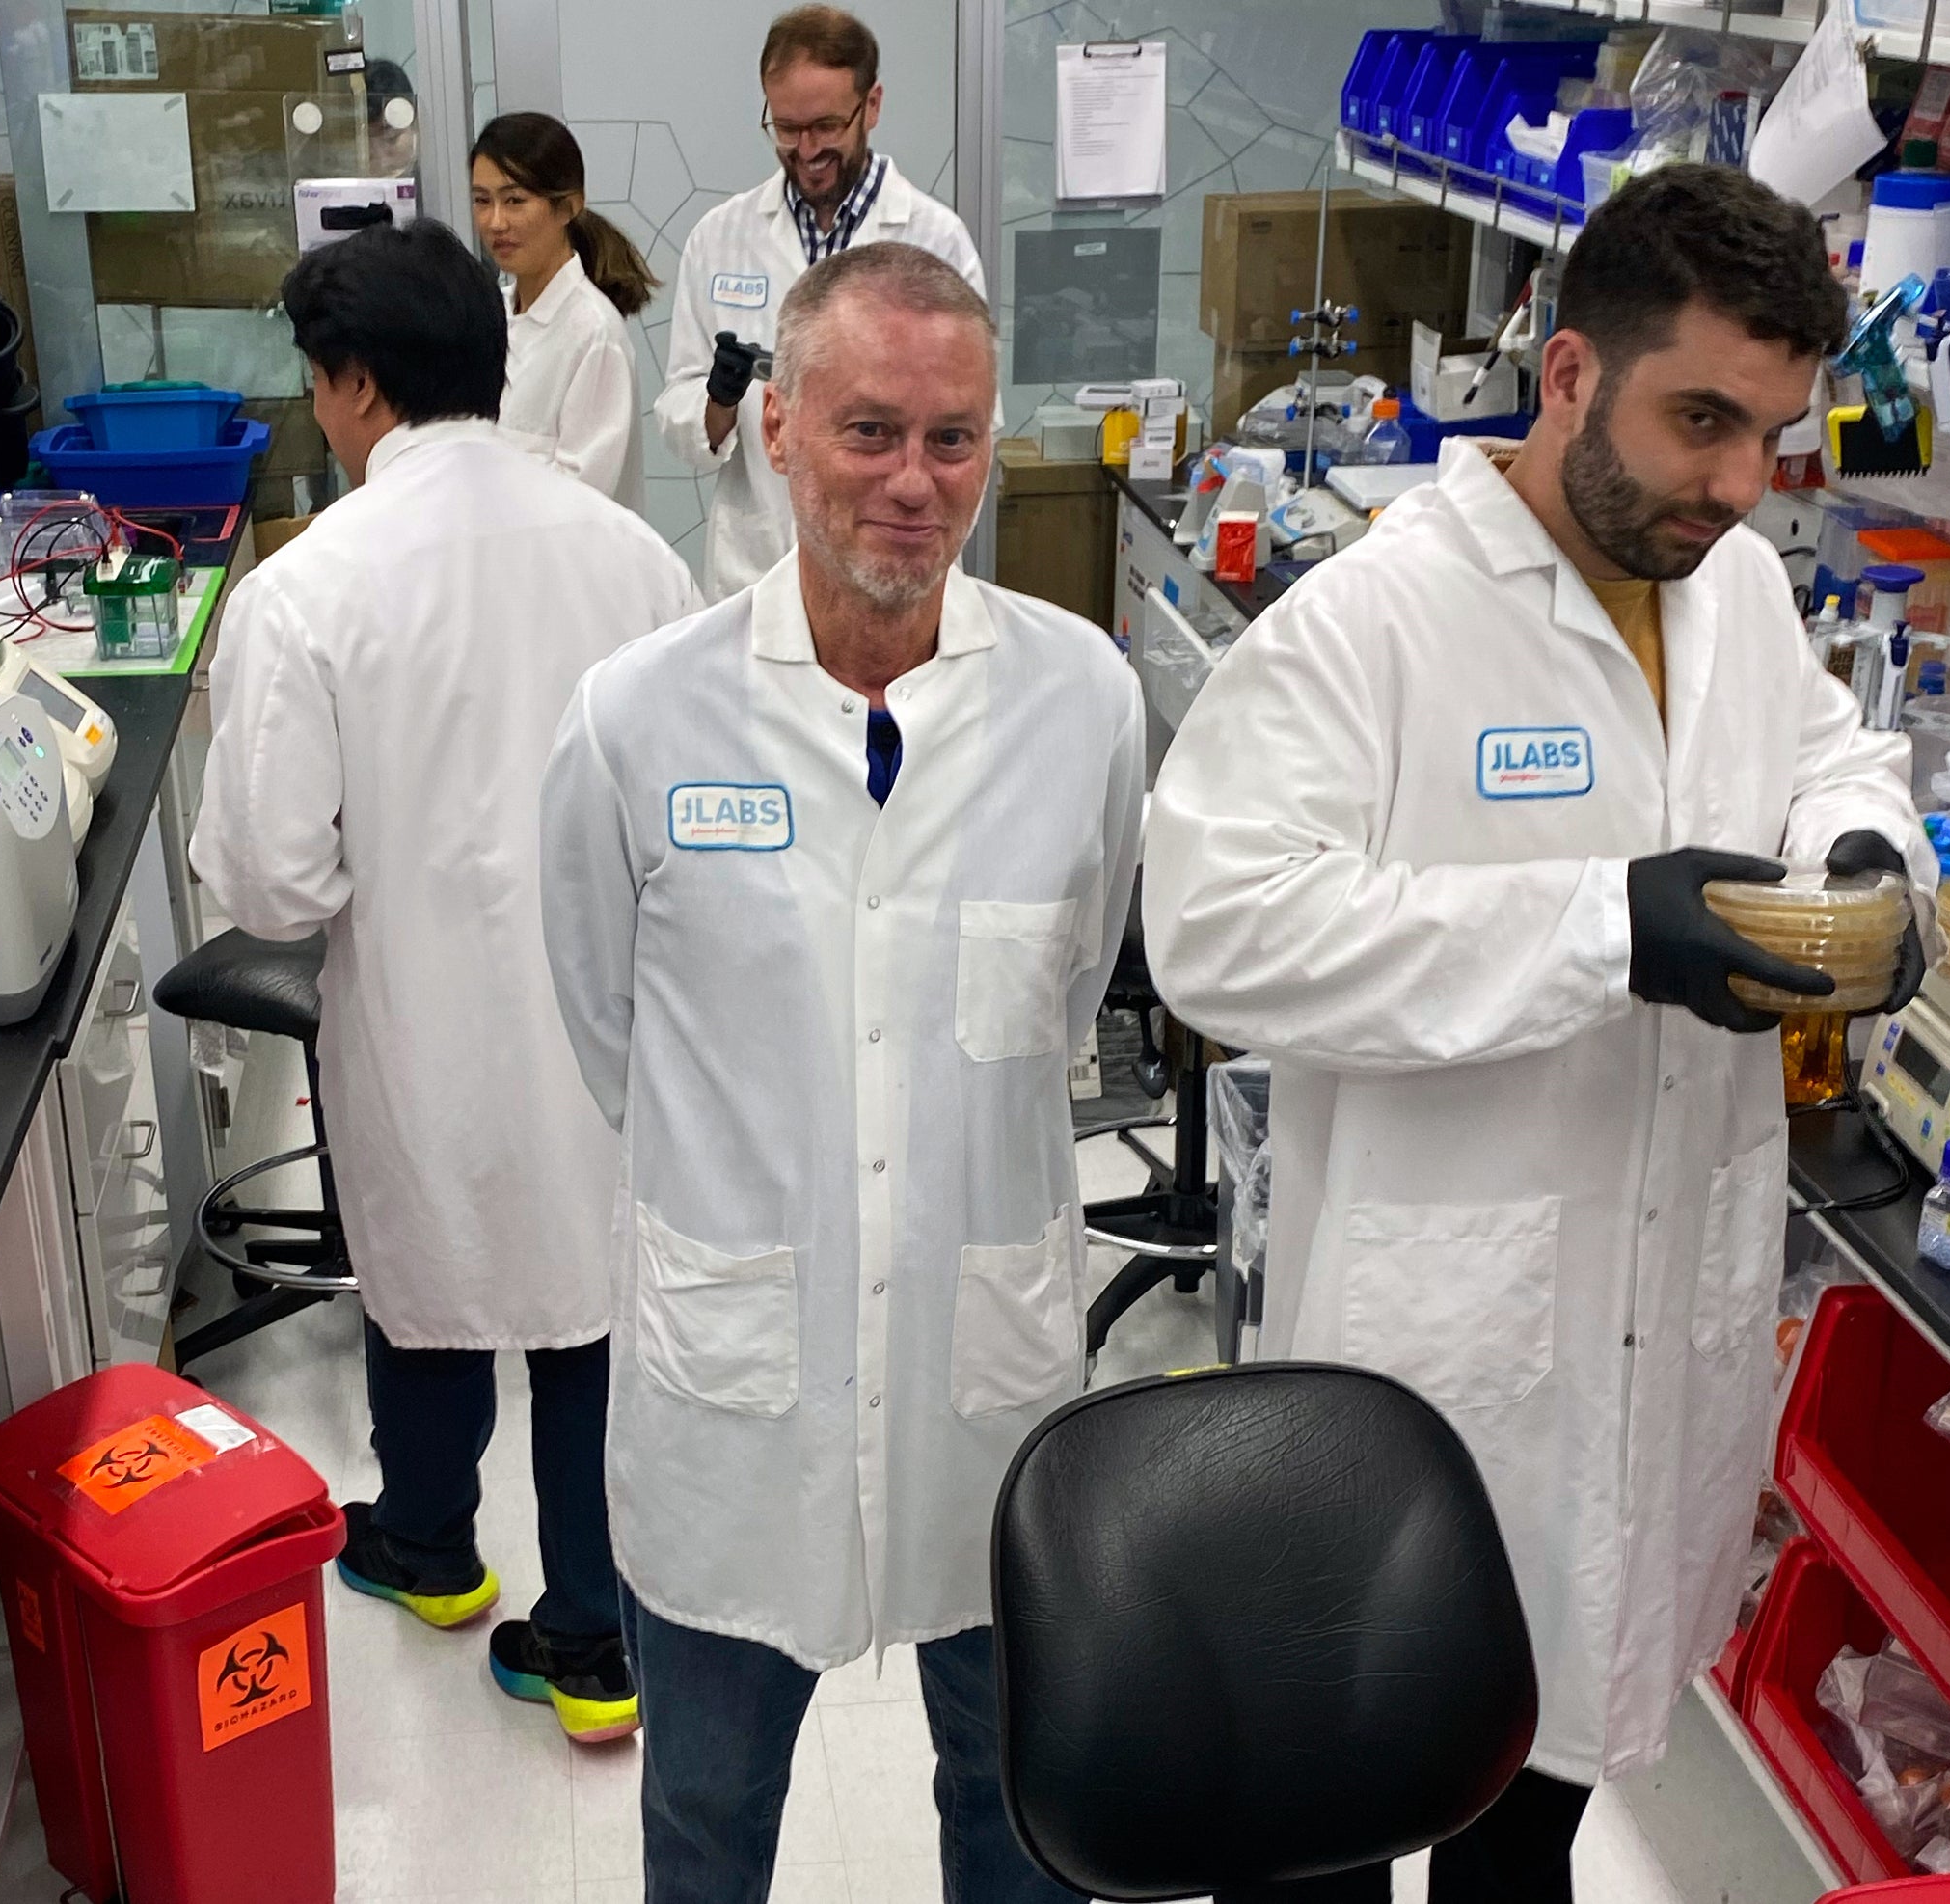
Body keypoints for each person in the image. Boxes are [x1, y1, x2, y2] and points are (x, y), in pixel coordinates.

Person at [1141, 164, 1931, 1900]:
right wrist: (1601, 926)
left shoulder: (1726, 586)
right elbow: (1213, 927)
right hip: (1444, 1333)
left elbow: (1831, 757)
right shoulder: (1379, 619)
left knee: (1541, 1804)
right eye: (1699, 419)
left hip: (1664, 1324)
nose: (1735, 484)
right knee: (1336, 1811)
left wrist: (1868, 861)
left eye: (1771, 436)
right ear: (1569, 371)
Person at [541, 242, 1140, 1901]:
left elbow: (1074, 981)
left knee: (1021, 1819)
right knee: (710, 1820)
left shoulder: (1081, 702)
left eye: (953, 438)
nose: (914, 481)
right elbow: (608, 1019)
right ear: (779, 433)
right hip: (739, 1378)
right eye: (870, 430)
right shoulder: (636, 717)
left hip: (985, 1366)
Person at [191, 219, 702, 1747]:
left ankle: (425, 1541)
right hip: (616, 1021)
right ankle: (597, 1639)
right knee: (588, 1306)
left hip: (418, 1015)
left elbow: (270, 876)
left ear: (351, 384)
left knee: (424, 1272)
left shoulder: (310, 585)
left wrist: (380, 875)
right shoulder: (635, 555)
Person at [655, 4, 985, 602]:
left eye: (827, 126)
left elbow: (971, 429)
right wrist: (718, 401)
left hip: (894, 575)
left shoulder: (935, 241)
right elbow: (679, 422)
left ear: (873, 106)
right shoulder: (719, 237)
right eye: (787, 128)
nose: (806, 149)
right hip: (756, 574)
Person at [472, 112, 658, 512]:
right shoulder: (490, 317)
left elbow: (581, 500)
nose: (495, 222)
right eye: (482, 201)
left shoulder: (593, 333)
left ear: (569, 206)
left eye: (515, 201)